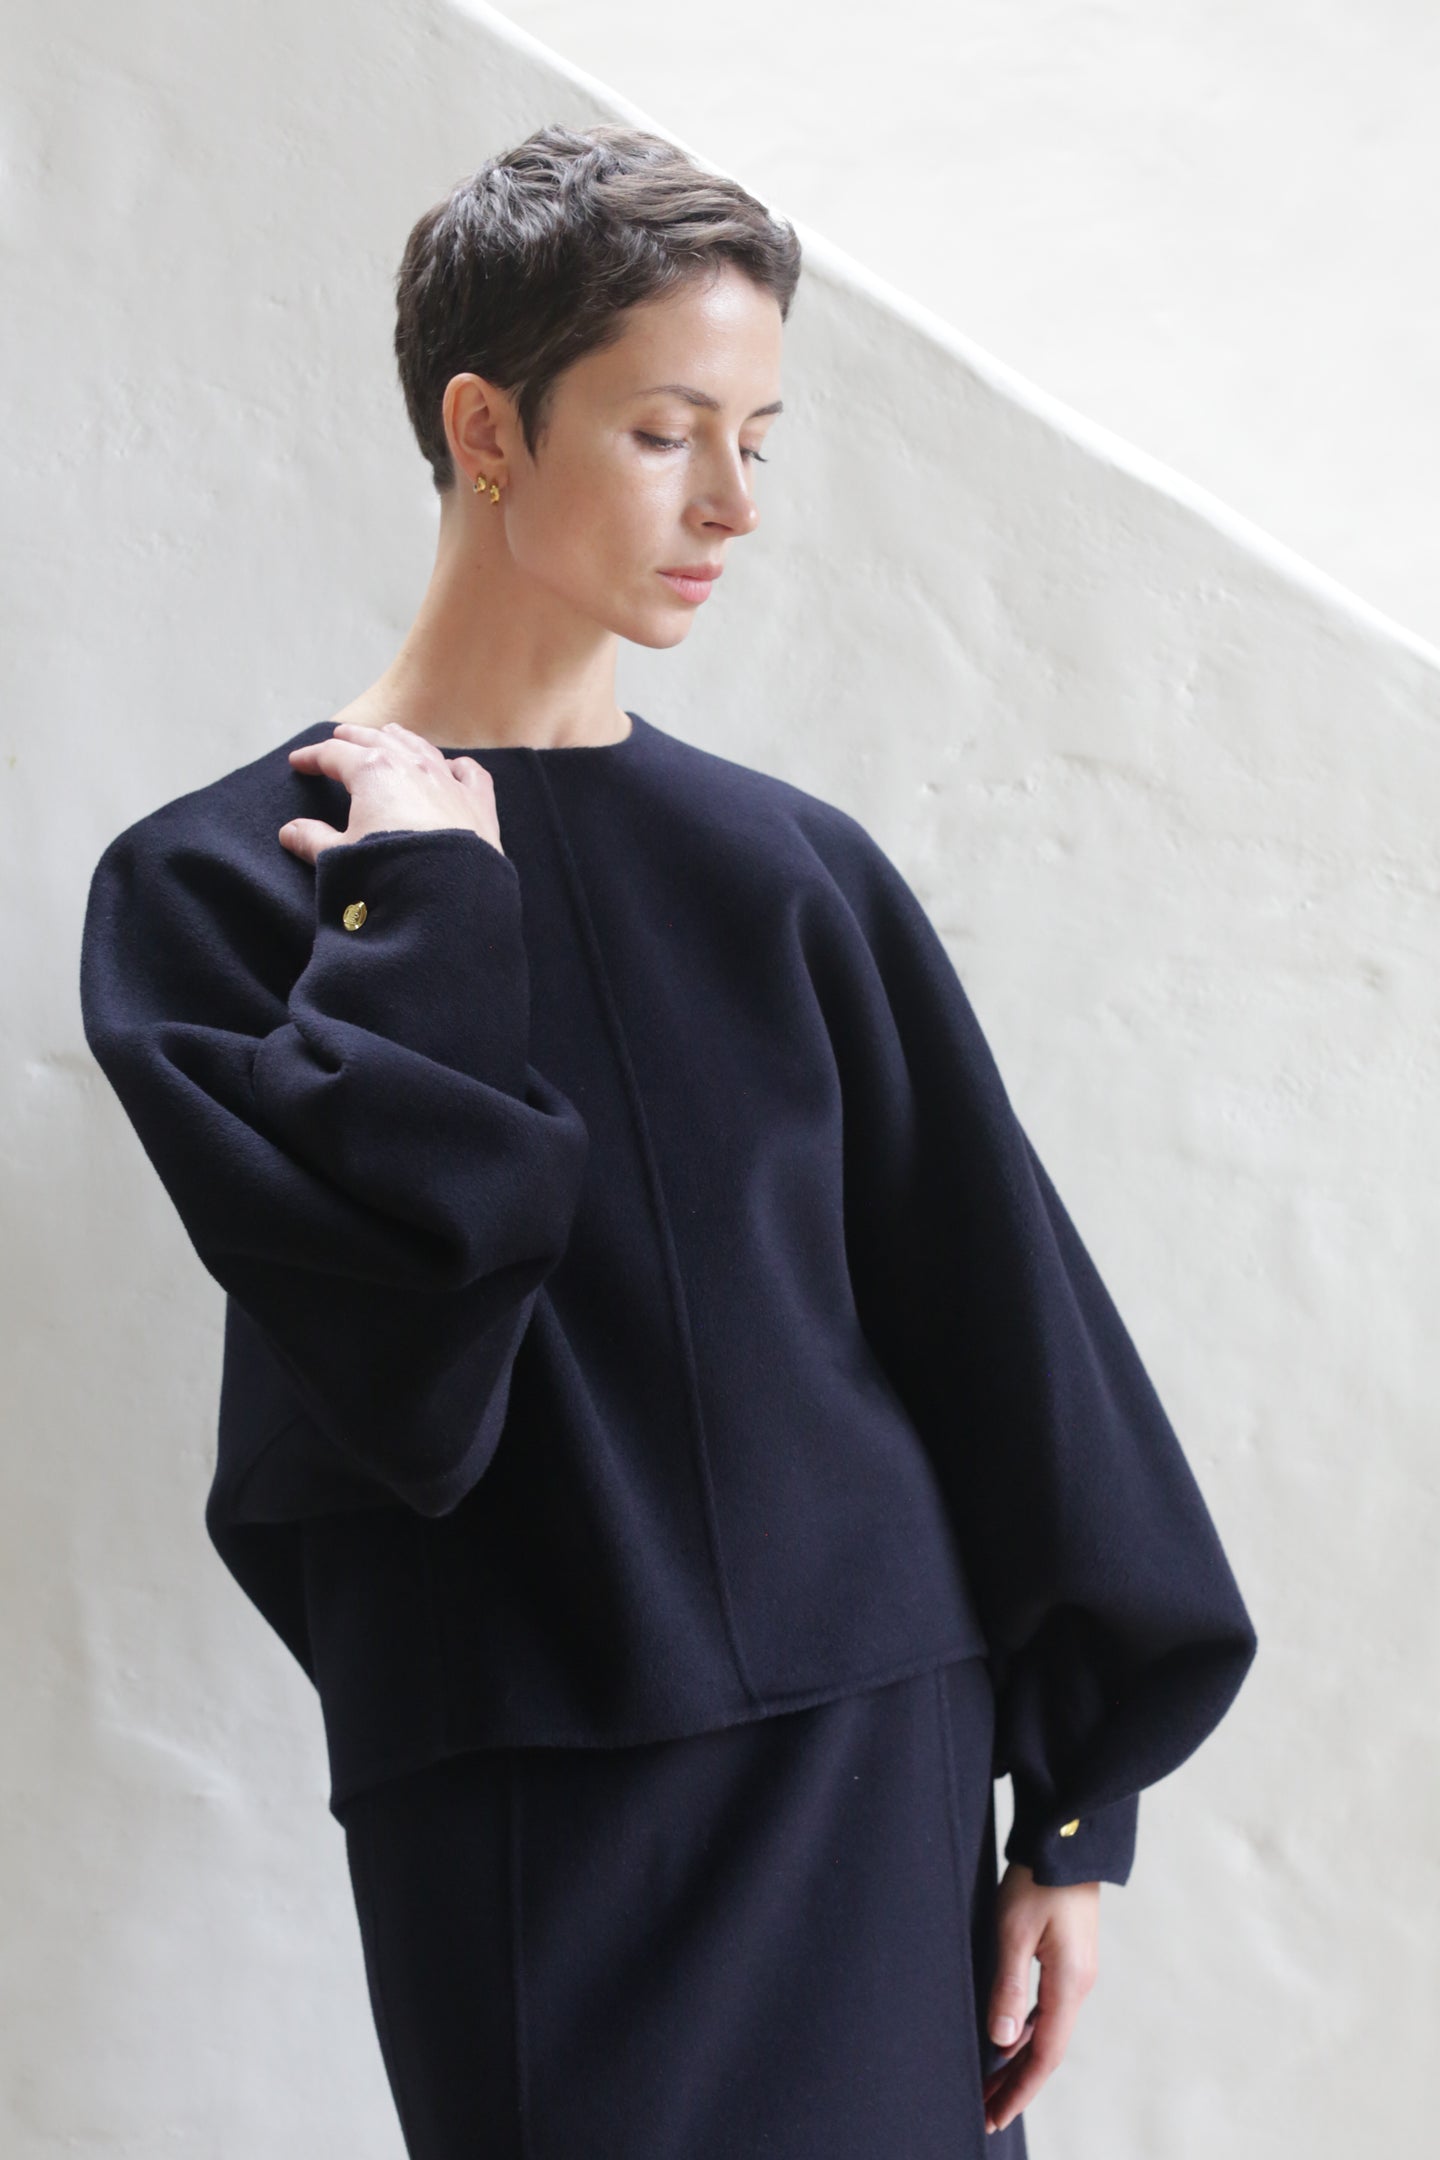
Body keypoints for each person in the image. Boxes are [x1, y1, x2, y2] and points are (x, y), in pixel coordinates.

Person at [79, 122, 1258, 2158]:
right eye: (666, 432)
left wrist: (1075, 1811)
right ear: (488, 426)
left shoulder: (795, 874)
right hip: (527, 1788)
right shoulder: (211, 892)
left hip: (878, 1757)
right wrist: (428, 908)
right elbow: (408, 1362)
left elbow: (1003, 1329)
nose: (732, 505)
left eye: (760, 440)